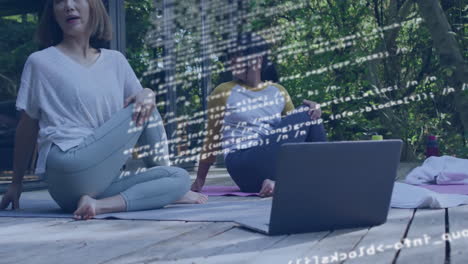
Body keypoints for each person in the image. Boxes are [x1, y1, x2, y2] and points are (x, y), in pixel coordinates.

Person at [0, 0, 207, 220]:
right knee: (146, 105)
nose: (69, 6)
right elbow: (28, 124)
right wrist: (16, 183)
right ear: (52, 13)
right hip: (67, 160)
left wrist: (147, 93)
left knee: (179, 177)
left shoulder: (115, 61)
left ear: (93, 7)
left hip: (78, 190)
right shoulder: (41, 62)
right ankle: (164, 185)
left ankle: (99, 205)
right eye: (60, 1)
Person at [191, 32, 327, 197]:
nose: (232, 64)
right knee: (306, 112)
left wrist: (315, 109)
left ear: (256, 59)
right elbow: (211, 140)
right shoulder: (223, 91)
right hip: (242, 163)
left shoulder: (278, 91)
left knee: (310, 113)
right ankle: (324, 177)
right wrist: (200, 179)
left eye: (237, 58)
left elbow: (298, 134)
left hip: (269, 160)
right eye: (231, 59)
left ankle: (280, 183)